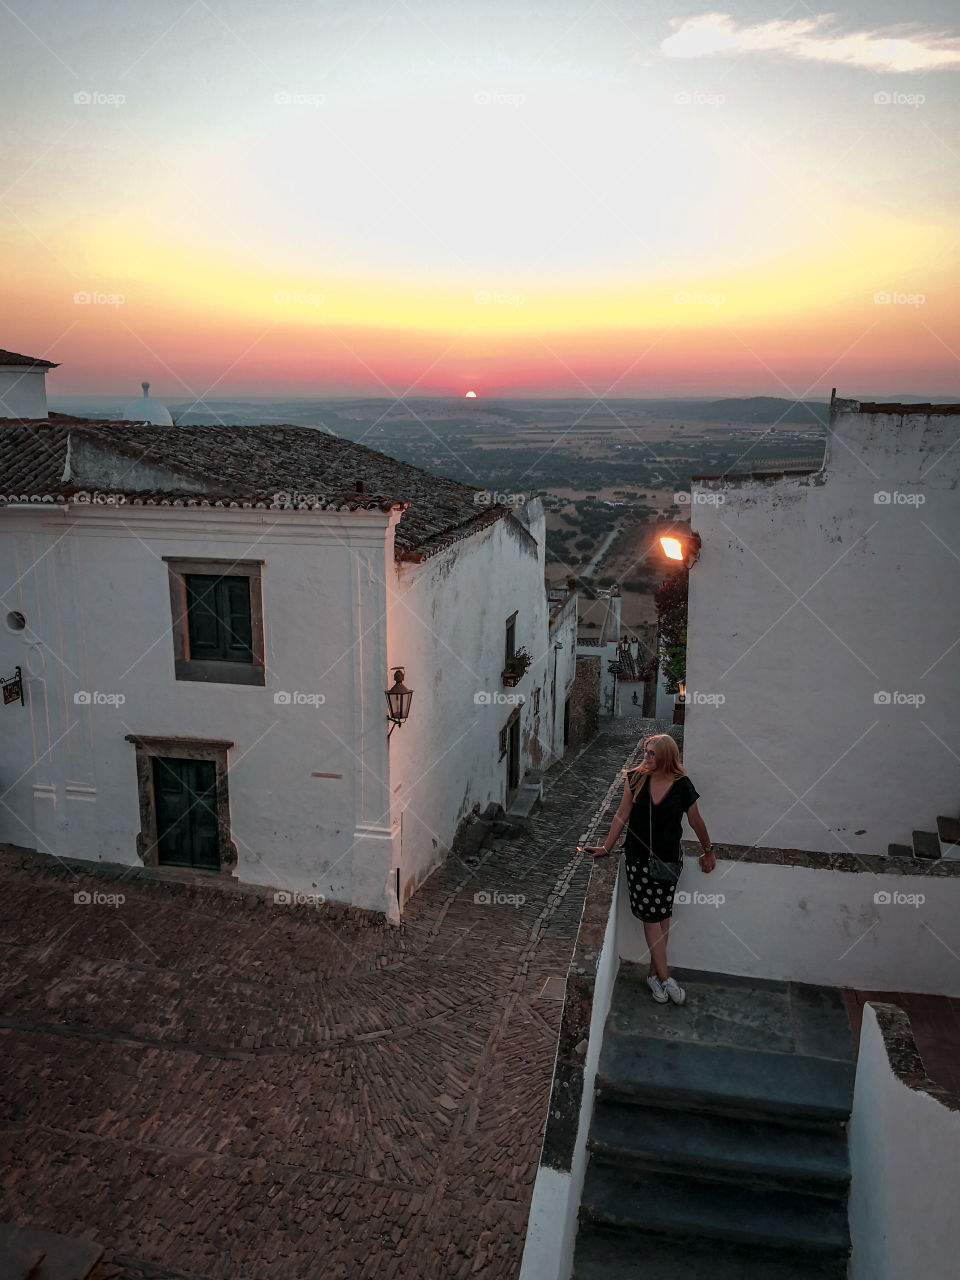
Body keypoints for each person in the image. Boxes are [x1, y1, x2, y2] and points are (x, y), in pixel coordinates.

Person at [582, 734, 715, 1005]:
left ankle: (654, 977)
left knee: (662, 914)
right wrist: (607, 847)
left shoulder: (682, 785)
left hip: (668, 860)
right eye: (646, 751)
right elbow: (621, 815)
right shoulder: (635, 779)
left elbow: (695, 819)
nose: (646, 757)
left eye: (652, 753)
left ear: (666, 756)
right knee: (652, 917)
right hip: (638, 859)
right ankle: (666, 979)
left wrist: (708, 849)